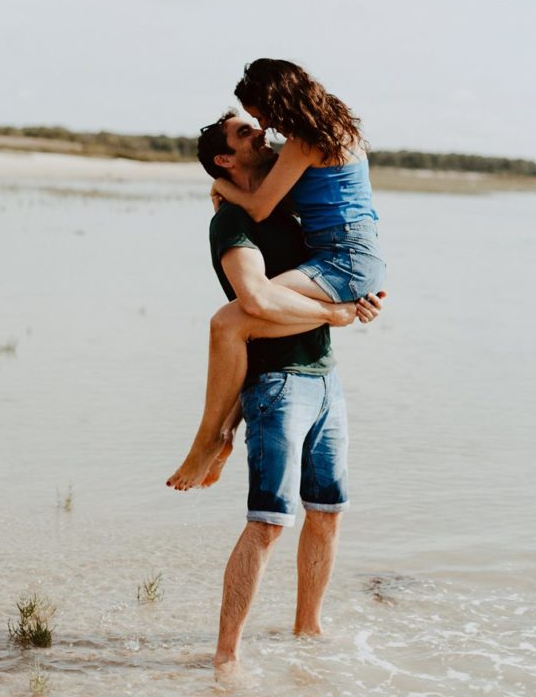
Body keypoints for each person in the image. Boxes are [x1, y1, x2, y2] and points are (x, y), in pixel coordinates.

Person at [173, 112, 385, 678]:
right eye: (245, 134)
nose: (261, 135)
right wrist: (334, 314)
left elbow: (336, 264)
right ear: (225, 158)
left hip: (325, 378)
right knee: (267, 522)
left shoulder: (285, 207)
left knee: (328, 514)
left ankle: (308, 629)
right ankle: (225, 657)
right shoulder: (232, 224)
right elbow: (256, 300)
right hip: (275, 385)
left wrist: (355, 302)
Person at [167, 60, 386, 489]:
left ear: (277, 100)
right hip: (348, 254)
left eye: (261, 114)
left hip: (344, 258)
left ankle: (208, 440)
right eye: (254, 123)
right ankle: (223, 433)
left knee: (229, 322)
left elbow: (262, 205)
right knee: (243, 325)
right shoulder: (328, 126)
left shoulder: (307, 139)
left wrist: (220, 189)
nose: (264, 126)